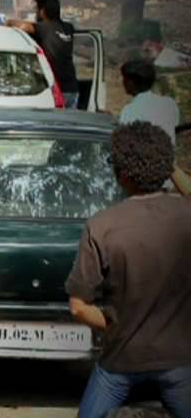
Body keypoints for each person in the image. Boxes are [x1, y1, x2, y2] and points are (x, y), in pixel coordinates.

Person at [66, 122, 191, 417]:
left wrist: (116, 325)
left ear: (120, 174)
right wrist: (166, 166)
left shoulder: (102, 226)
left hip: (121, 363)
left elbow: (78, 308)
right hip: (181, 363)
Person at [7, 0, 80, 108]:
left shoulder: (43, 28)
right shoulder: (68, 28)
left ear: (42, 11)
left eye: (37, 10)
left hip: (55, 90)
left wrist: (9, 22)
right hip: (72, 89)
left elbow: (24, 27)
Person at [118, 59, 180, 144]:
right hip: (166, 155)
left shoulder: (130, 110)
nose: (122, 82)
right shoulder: (170, 104)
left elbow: (125, 141)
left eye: (124, 78)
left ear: (130, 82)